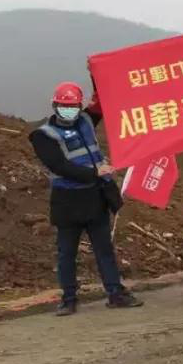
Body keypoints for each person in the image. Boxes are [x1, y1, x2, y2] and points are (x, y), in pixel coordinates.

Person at [29, 81, 143, 316]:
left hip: (95, 197)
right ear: (54, 105)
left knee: (104, 250)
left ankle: (115, 293)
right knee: (66, 253)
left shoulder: (87, 120)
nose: (69, 110)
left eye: (73, 106)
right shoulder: (43, 136)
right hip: (67, 201)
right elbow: (59, 166)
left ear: (79, 106)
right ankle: (68, 299)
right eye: (64, 106)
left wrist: (96, 73)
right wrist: (95, 173)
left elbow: (102, 98)